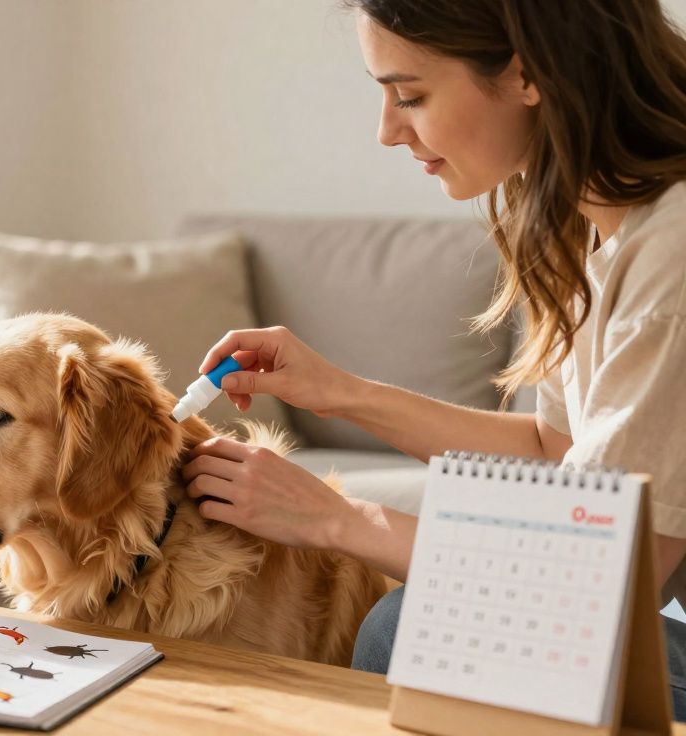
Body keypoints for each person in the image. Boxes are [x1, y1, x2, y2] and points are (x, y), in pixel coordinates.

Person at [181, 0, 686, 716]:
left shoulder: (672, 255)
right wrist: (337, 392)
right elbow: (557, 452)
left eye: (410, 94)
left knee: (404, 625)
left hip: (627, 603)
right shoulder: (586, 226)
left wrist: (331, 519)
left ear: (527, 73)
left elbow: (593, 582)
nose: (387, 131)